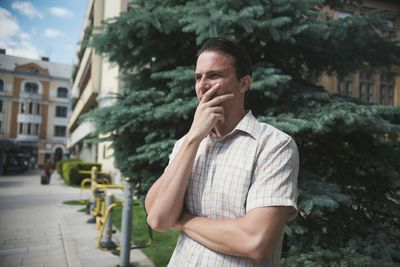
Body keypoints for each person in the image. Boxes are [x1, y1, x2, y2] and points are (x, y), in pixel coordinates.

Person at [145, 37, 299, 266]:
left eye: (214, 75)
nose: (203, 85)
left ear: (243, 84)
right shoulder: (187, 144)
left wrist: (182, 220)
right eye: (198, 77)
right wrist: (193, 138)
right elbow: (157, 218)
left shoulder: (273, 145)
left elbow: (255, 241)